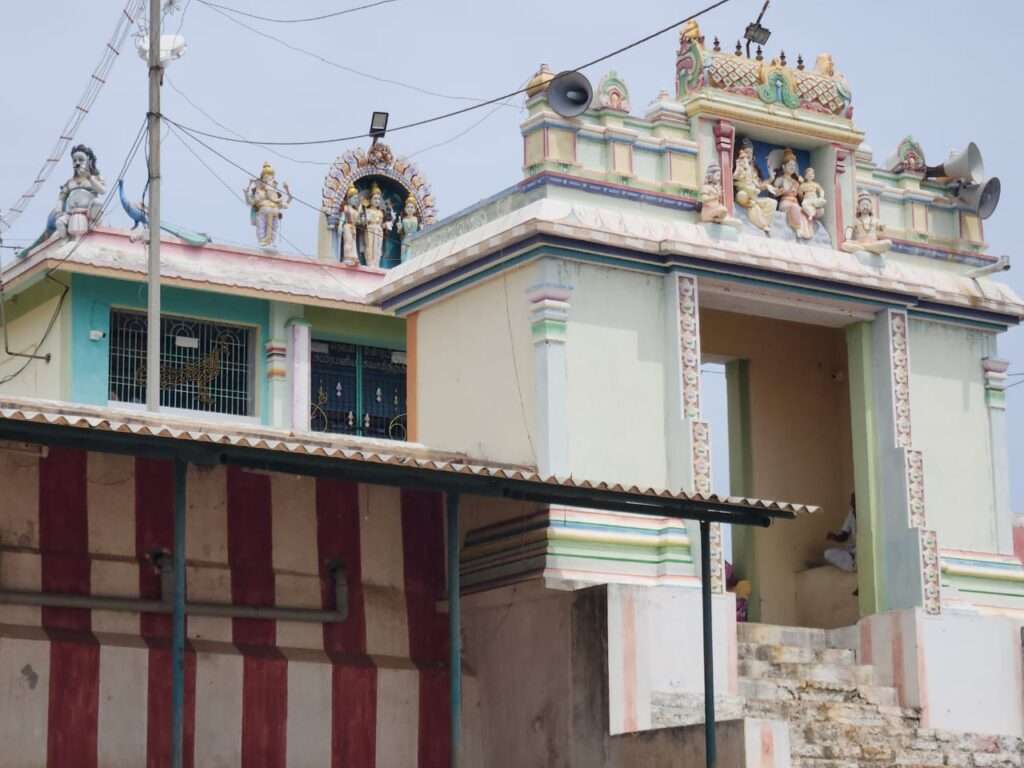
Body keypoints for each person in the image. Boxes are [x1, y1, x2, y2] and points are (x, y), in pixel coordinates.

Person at [824, 493, 857, 572]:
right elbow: (844, 536)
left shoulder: (868, 513)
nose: (851, 503)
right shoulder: (851, 514)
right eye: (851, 501)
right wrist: (834, 536)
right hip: (853, 551)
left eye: (853, 500)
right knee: (828, 553)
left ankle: (856, 562)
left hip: (866, 549)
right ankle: (853, 564)